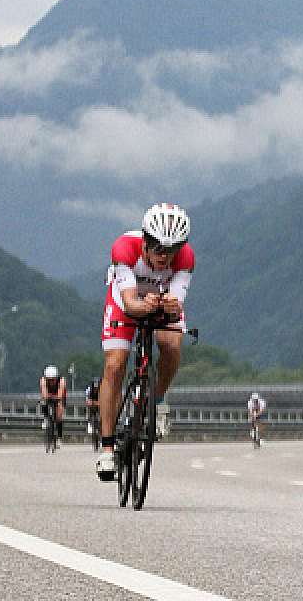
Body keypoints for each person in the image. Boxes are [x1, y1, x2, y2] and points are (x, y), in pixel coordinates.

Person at [95, 203, 195, 480]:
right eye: (159, 249)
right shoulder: (124, 248)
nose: (166, 257)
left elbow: (176, 304)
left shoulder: (185, 257)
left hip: (161, 298)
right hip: (126, 299)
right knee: (116, 365)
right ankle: (106, 446)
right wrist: (142, 305)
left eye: (172, 250)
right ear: (145, 242)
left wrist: (171, 307)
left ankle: (157, 401)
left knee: (172, 345)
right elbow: (129, 303)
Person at [39, 365, 67, 447]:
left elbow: (60, 394)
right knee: (44, 402)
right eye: (49, 380)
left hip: (58, 394)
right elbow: (44, 393)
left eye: (53, 380)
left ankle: (59, 438)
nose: (51, 382)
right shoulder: (43, 380)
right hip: (49, 394)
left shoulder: (61, 380)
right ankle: (46, 418)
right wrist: (47, 397)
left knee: (59, 414)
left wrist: (57, 399)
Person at [84, 378, 101, 451]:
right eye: (95, 388)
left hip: (100, 401)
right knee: (89, 407)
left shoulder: (103, 390)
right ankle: (90, 420)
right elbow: (88, 401)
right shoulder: (89, 390)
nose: (96, 390)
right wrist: (92, 403)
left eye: (97, 388)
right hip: (92, 401)